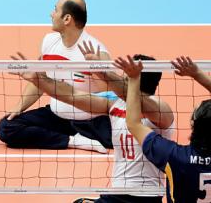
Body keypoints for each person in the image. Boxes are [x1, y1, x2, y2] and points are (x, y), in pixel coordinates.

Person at [13, 50, 174, 203]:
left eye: (126, 75)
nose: (122, 77)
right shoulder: (115, 104)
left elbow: (132, 96)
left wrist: (101, 70)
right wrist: (39, 80)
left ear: (135, 79)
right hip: (117, 194)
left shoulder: (160, 109)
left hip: (146, 196)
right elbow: (72, 95)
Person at [0, 0, 114, 152]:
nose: (51, 14)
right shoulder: (49, 42)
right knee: (6, 127)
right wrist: (19, 107)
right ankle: (74, 141)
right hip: (57, 118)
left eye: (55, 10)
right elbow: (40, 81)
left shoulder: (96, 51)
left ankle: (70, 137)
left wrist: (99, 70)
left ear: (67, 19)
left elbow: (111, 95)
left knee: (130, 138)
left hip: (91, 123)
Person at [121, 55, 211, 203]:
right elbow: (134, 123)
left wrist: (133, 78)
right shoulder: (175, 155)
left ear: (193, 125)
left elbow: (133, 124)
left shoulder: (175, 156)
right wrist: (197, 74)